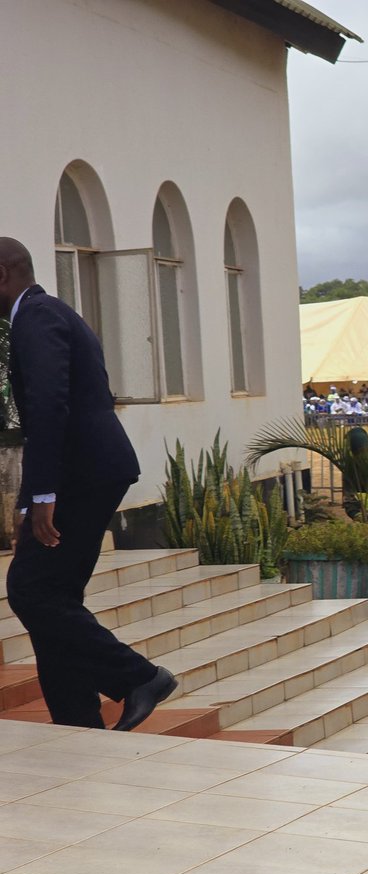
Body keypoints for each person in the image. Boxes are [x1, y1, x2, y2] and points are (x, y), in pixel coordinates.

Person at [0, 237, 176, 731]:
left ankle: (139, 678)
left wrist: (42, 496)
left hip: (83, 472)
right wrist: (25, 503)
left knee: (30, 590)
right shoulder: (45, 314)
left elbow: (49, 407)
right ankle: (77, 721)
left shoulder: (36, 316)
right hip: (88, 469)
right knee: (52, 596)